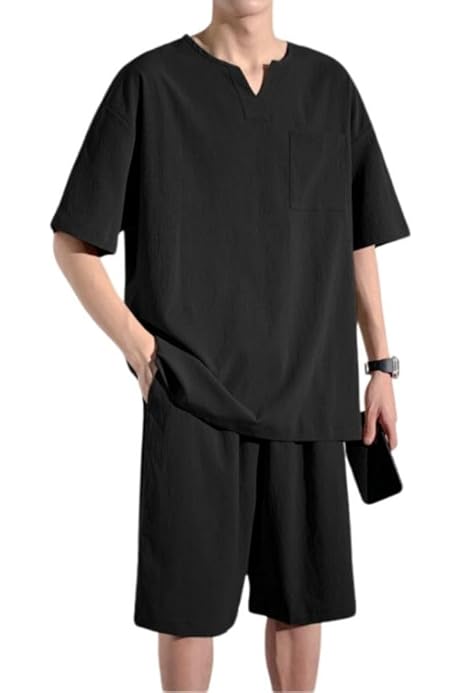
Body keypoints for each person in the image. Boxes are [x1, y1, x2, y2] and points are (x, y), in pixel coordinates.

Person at [50, 1, 410, 691]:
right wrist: (144, 352)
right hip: (194, 393)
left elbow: (357, 238)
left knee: (302, 603)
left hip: (310, 390)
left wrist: (381, 366)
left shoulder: (330, 87)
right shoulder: (149, 85)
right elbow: (73, 242)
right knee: (187, 609)